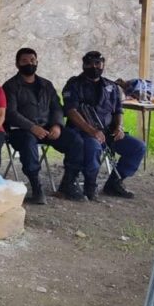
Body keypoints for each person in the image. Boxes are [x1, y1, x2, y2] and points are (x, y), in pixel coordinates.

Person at [3, 48, 84, 203]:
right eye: (25, 61)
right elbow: (11, 113)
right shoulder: (10, 86)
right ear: (17, 64)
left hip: (47, 129)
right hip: (21, 131)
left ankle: (67, 184)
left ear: (37, 62)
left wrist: (57, 125)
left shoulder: (46, 85)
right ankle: (36, 187)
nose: (29, 63)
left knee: (75, 140)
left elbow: (57, 107)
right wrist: (32, 127)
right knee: (27, 142)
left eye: (32, 60)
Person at [62, 51, 145, 200]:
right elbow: (71, 111)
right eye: (89, 63)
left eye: (97, 63)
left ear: (103, 64)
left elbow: (118, 110)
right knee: (93, 147)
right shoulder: (74, 85)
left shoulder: (111, 86)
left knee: (138, 147)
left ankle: (114, 183)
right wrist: (92, 131)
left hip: (108, 132)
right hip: (83, 132)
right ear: (83, 65)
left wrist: (118, 127)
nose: (94, 67)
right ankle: (90, 187)